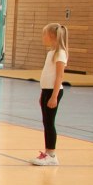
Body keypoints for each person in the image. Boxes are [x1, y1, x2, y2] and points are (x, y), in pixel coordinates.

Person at [31, 22, 68, 166]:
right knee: (46, 122)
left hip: (54, 92)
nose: (43, 37)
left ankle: (51, 154)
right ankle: (47, 153)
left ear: (52, 36)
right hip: (46, 91)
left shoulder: (60, 53)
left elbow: (59, 77)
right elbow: (47, 76)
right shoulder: (51, 53)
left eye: (44, 34)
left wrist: (54, 96)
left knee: (49, 123)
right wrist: (43, 94)